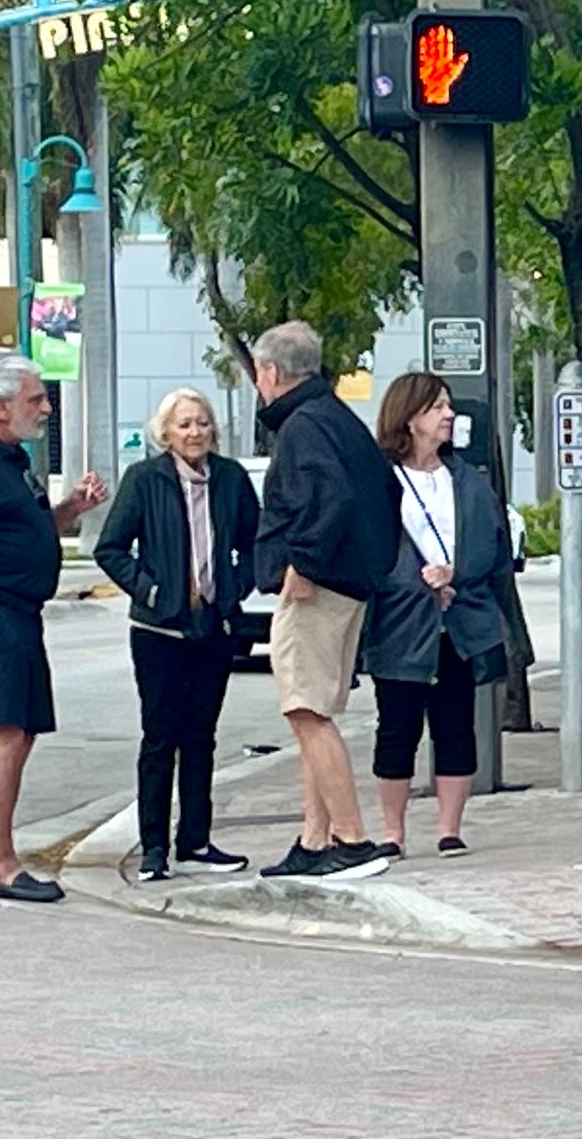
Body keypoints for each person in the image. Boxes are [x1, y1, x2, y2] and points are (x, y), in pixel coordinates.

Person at [0, 356, 108, 903]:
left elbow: (22, 526)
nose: (46, 409)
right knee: (3, 731)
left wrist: (68, 510)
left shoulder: (11, 459)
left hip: (22, 614)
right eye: (36, 400)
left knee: (22, 729)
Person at [250, 321, 401, 881]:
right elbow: (383, 492)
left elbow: (328, 497)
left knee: (306, 712)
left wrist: (303, 564)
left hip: (319, 585)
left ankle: (352, 839)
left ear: (270, 372)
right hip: (352, 584)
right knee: (316, 712)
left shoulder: (303, 427)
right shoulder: (337, 419)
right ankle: (314, 841)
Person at [95, 388, 260, 883]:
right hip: (158, 629)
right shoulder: (145, 480)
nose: (195, 433)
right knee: (160, 736)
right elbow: (111, 548)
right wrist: (151, 589)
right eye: (185, 424)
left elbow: (255, 543)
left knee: (201, 737)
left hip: (212, 626)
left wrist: (235, 587)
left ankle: (196, 839)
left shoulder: (229, 479)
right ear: (165, 432)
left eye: (202, 423)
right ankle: (153, 847)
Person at [363, 371, 514, 861]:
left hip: (460, 620)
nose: (449, 415)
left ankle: (450, 828)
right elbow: (372, 549)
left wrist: (455, 577)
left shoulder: (467, 480)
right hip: (402, 624)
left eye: (448, 406)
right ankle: (393, 831)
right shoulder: (381, 479)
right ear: (409, 418)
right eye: (437, 408)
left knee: (456, 725)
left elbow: (493, 547)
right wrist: (417, 579)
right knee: (397, 728)